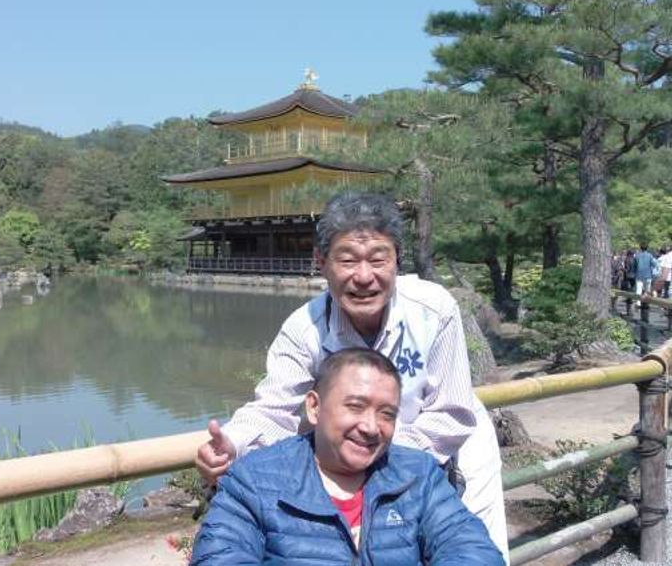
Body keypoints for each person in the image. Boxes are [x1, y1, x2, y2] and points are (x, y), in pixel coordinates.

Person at [195, 191, 509, 560]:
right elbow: (274, 409)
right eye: (347, 260)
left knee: (471, 548)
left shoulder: (433, 310)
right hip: (351, 459)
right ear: (321, 262)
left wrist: (376, 447)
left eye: (378, 259)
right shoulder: (302, 329)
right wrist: (232, 442)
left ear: (396, 262)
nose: (364, 277)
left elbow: (451, 413)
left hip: (443, 451)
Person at [191, 349, 505, 565]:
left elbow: (472, 549)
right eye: (355, 406)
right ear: (314, 407)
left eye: (386, 414)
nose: (370, 427)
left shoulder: (418, 476)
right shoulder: (254, 481)